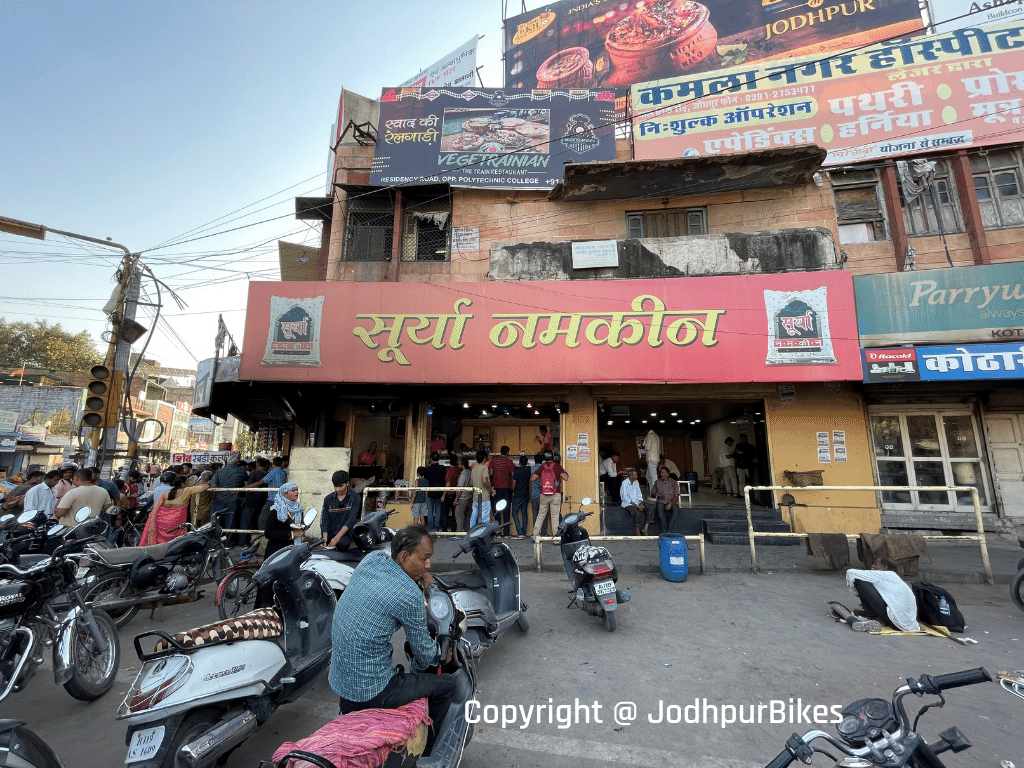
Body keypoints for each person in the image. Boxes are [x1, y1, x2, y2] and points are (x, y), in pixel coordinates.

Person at [329, 526, 455, 755]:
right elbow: (425, 654)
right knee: (447, 686)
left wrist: (422, 577)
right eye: (425, 559)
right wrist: (440, 654)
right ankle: (426, 752)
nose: (429, 566)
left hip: (341, 680)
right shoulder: (409, 595)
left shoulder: (373, 560)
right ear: (404, 556)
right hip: (373, 689)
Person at [845, 557, 920, 632]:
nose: (872, 566)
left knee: (860, 580)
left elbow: (850, 572)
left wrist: (858, 593)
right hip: (907, 624)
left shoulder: (885, 574)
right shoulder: (896, 579)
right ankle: (871, 614)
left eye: (875, 564)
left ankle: (871, 614)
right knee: (868, 583)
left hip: (893, 620)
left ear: (885, 567)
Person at [139, 474, 208, 546]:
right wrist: (206, 481)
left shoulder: (166, 493)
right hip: (176, 524)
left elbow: (157, 508)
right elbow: (203, 487)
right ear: (182, 484)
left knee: (160, 543)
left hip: (161, 521)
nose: (187, 484)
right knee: (175, 544)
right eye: (186, 482)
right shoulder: (186, 491)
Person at [209, 457, 248, 544]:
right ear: (236, 462)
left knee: (216, 521)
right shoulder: (241, 471)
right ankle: (228, 542)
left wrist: (212, 499)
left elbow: (213, 486)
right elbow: (248, 480)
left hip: (219, 499)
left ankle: (216, 541)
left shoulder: (219, 471)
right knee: (230, 521)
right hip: (233, 500)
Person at [262, 481, 306, 558]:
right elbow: (268, 533)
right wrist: (291, 534)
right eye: (293, 490)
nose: (296, 492)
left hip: (294, 551)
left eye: (296, 490)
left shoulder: (299, 509)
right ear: (284, 494)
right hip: (277, 552)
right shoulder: (276, 510)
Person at [531, 451, 568, 541]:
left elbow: (532, 478)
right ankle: (556, 538)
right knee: (555, 516)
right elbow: (566, 478)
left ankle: (535, 535)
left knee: (541, 515)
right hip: (555, 494)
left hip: (543, 494)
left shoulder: (542, 467)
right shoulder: (557, 466)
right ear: (553, 457)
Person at [322, 470, 361, 551]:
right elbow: (325, 520)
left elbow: (350, 520)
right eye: (335, 486)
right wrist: (324, 538)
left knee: (342, 545)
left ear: (347, 483)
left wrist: (336, 538)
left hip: (345, 534)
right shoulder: (328, 499)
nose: (337, 489)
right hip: (330, 533)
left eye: (340, 486)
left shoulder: (355, 497)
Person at [488, 446, 515, 536]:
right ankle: (506, 533)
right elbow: (513, 475)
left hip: (496, 488)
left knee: (496, 510)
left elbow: (490, 473)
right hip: (506, 488)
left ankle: (497, 532)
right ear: (507, 452)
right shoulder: (509, 461)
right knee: (506, 511)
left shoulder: (494, 460)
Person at [619, 469, 650, 535]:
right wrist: (636, 505)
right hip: (628, 503)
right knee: (637, 513)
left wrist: (641, 503)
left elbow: (639, 493)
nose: (637, 477)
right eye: (635, 475)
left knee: (650, 508)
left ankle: (645, 528)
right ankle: (637, 530)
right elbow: (625, 497)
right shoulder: (624, 483)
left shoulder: (636, 482)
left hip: (637, 502)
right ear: (630, 476)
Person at [423, 452, 447, 533]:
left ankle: (430, 528)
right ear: (439, 459)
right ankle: (437, 528)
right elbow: (445, 480)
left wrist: (426, 494)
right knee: (438, 512)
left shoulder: (427, 470)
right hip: (440, 492)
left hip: (430, 493)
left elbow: (426, 482)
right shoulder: (443, 468)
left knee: (430, 512)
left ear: (431, 459)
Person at [651, 466, 678, 533]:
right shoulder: (657, 482)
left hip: (672, 501)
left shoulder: (674, 483)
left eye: (663, 473)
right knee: (660, 512)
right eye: (661, 473)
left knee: (675, 510)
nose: (661, 474)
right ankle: (665, 531)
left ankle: (669, 531)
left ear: (668, 474)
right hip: (661, 501)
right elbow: (652, 494)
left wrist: (670, 503)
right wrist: (655, 494)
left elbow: (676, 496)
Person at [469, 450, 493, 527]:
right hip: (484, 496)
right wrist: (491, 488)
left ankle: (471, 532)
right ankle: (482, 534)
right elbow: (484, 481)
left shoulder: (473, 469)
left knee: (474, 516)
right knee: (485, 517)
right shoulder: (484, 468)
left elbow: (471, 483)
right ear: (484, 459)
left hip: (476, 497)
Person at [510, 456, 531, 538]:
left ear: (519, 462)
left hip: (518, 494)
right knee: (524, 513)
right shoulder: (528, 470)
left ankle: (520, 532)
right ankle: (524, 532)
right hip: (526, 494)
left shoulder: (517, 471)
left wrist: (512, 491)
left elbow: (514, 483)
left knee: (514, 513)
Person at [441, 455, 461, 532]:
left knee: (445, 513)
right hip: (456, 494)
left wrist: (443, 495)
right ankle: (453, 529)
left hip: (449, 494)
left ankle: (445, 529)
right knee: (454, 514)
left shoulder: (449, 470)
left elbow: (448, 483)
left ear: (450, 462)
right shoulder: (458, 470)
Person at [453, 458, 473, 532]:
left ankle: (459, 533)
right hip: (469, 497)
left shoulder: (462, 475)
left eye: (459, 464)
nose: (458, 465)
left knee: (459, 517)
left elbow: (460, 489)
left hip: (462, 498)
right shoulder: (470, 473)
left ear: (463, 465)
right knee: (468, 517)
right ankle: (467, 532)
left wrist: (456, 499)